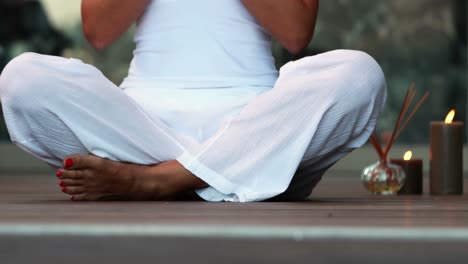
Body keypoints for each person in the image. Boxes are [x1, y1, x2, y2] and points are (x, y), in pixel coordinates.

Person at [0, 0, 386, 202]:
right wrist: (245, 160)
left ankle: (155, 181)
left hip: (253, 120)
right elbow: (98, 32)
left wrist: (146, 178)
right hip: (143, 127)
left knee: (359, 76)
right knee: (21, 80)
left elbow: (295, 33)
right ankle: (226, 177)